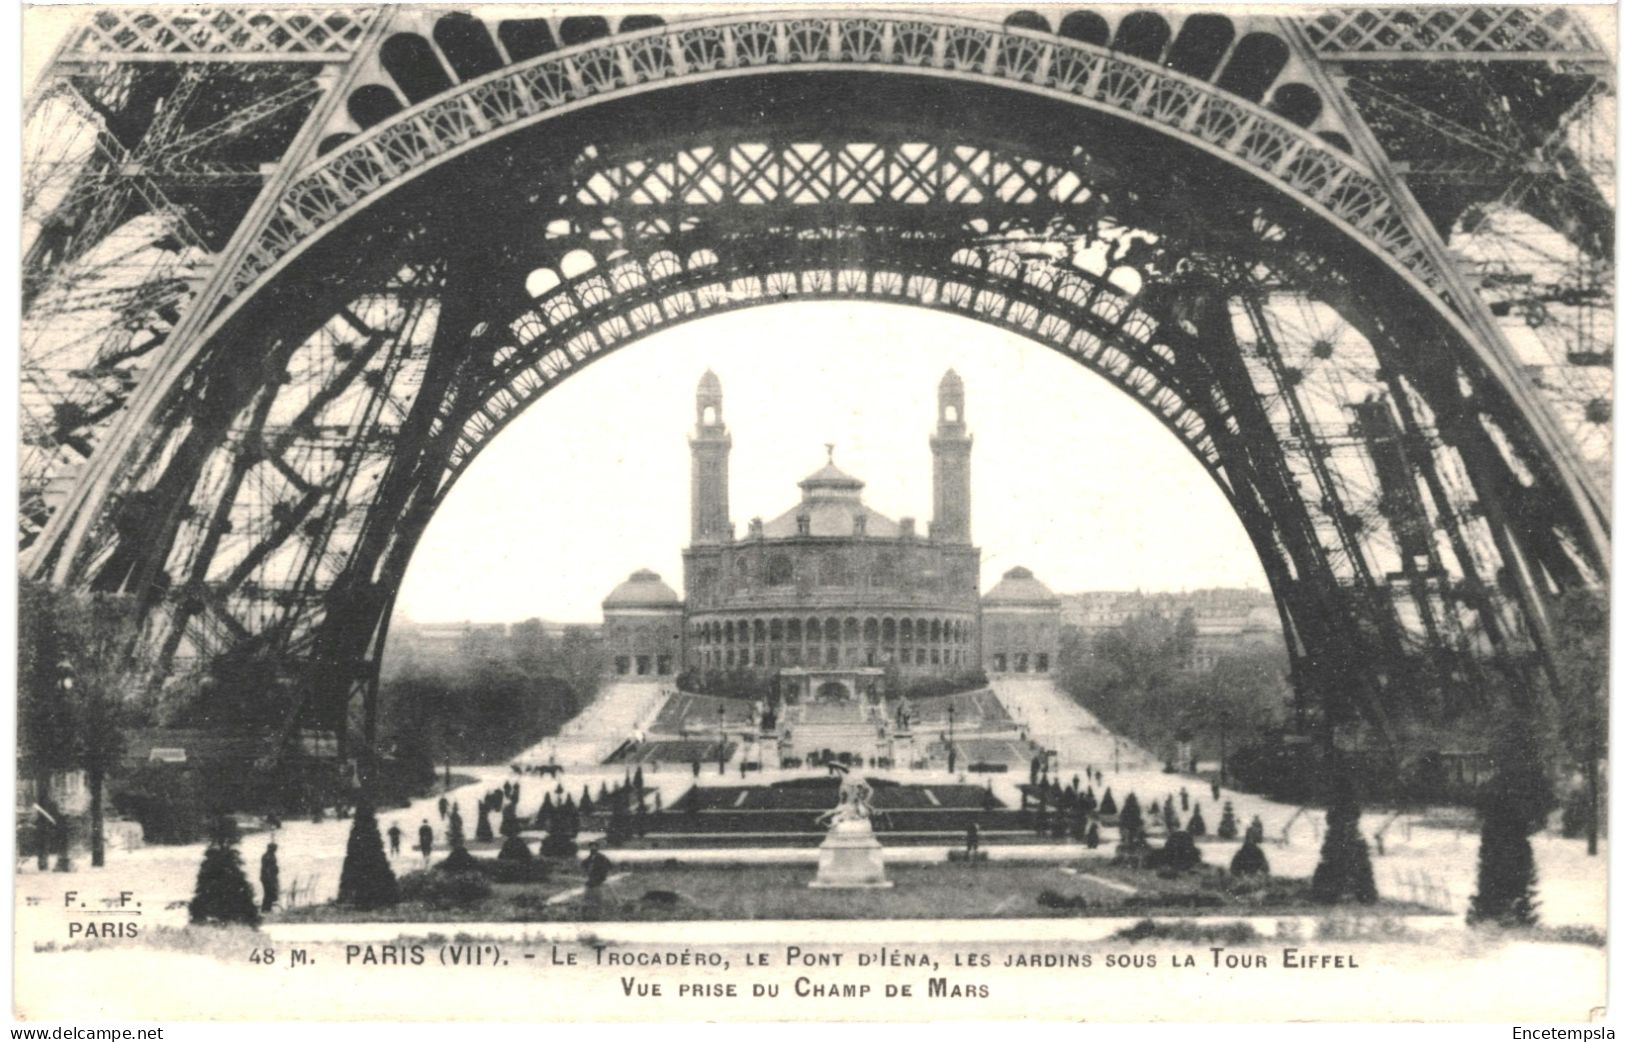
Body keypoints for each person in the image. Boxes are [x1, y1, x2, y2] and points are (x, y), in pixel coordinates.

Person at [259, 841, 280, 914]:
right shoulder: (269, 856)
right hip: (268, 878)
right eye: (275, 849)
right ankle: (266, 909)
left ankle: (267, 908)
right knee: (268, 893)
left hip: (267, 877)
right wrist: (271, 877)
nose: (276, 850)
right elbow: (267, 868)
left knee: (269, 893)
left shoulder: (268, 855)